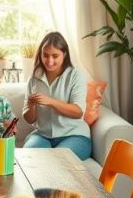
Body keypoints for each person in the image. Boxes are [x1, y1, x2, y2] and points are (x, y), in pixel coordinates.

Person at [22, 31, 91, 160]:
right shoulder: (33, 78)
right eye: (45, 55)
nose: (49, 61)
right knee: (29, 158)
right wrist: (31, 106)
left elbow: (78, 112)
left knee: (59, 160)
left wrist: (51, 102)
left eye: (55, 56)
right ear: (40, 55)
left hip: (74, 135)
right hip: (42, 135)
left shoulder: (76, 75)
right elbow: (30, 119)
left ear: (64, 54)